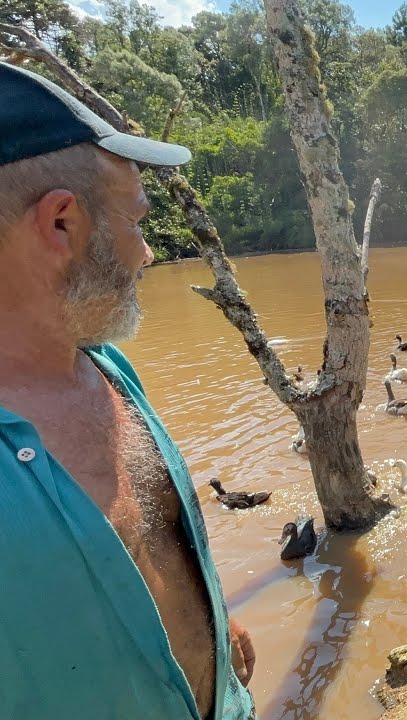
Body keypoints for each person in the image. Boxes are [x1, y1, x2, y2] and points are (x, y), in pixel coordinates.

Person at [0, 62, 256, 719]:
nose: (147, 254)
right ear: (61, 224)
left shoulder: (109, 367)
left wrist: (213, 626)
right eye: (137, 222)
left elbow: (155, 536)